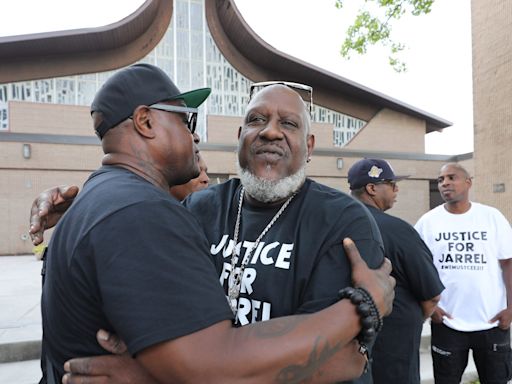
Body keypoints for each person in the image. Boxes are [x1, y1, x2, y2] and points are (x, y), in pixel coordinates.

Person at [36, 63, 395, 384]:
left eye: (288, 123)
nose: (270, 131)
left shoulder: (344, 221)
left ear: (310, 145)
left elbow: (343, 359)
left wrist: (165, 377)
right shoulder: (193, 207)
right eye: (256, 120)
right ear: (239, 135)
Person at [348, 158, 444, 384]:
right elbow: (432, 295)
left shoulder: (331, 225)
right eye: (391, 183)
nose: (396, 189)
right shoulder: (399, 230)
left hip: (341, 347)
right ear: (372, 188)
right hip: (392, 352)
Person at [415, 162, 512, 384]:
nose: (445, 183)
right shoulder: (427, 222)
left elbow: (508, 262)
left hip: (493, 322)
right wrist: (431, 307)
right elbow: (416, 268)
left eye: (452, 177)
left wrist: (511, 308)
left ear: (468, 183)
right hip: (447, 322)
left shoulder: (491, 217)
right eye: (440, 180)